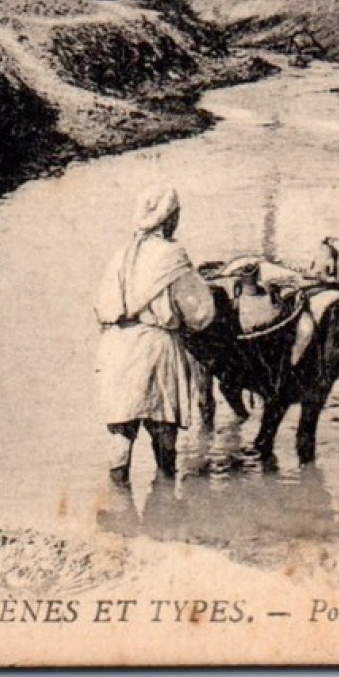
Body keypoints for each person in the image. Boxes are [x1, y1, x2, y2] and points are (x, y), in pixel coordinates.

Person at [94, 186, 216, 486]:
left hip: (116, 346)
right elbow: (200, 313)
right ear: (169, 219)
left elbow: (101, 306)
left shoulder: (120, 255)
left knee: (121, 432)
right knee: (163, 430)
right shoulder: (172, 256)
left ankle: (119, 500)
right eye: (176, 215)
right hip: (156, 348)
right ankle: (163, 502)